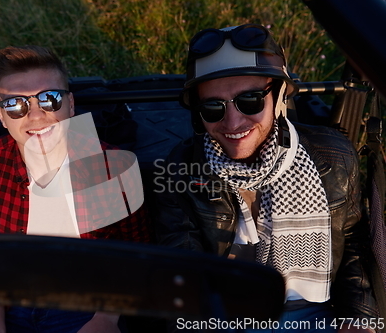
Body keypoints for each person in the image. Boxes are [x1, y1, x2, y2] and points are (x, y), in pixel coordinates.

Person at [154, 24, 379, 332]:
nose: (233, 122)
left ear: (279, 95)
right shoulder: (179, 169)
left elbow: (353, 240)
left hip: (317, 313)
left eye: (250, 101)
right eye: (212, 107)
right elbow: (182, 272)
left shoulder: (334, 156)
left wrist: (358, 319)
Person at [0, 45, 150, 333]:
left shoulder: (113, 169)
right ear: (1, 116)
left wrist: (105, 319)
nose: (36, 117)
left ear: (70, 104)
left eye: (49, 99)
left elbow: (137, 257)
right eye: (16, 104)